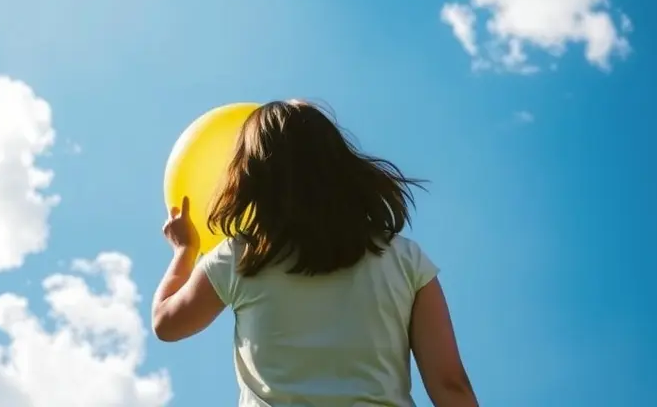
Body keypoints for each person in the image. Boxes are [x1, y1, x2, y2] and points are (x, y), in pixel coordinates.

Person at [151, 99, 478, 407]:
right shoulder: (405, 258)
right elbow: (450, 385)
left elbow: (166, 323)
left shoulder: (239, 257)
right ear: (340, 163)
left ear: (251, 178)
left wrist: (185, 251)